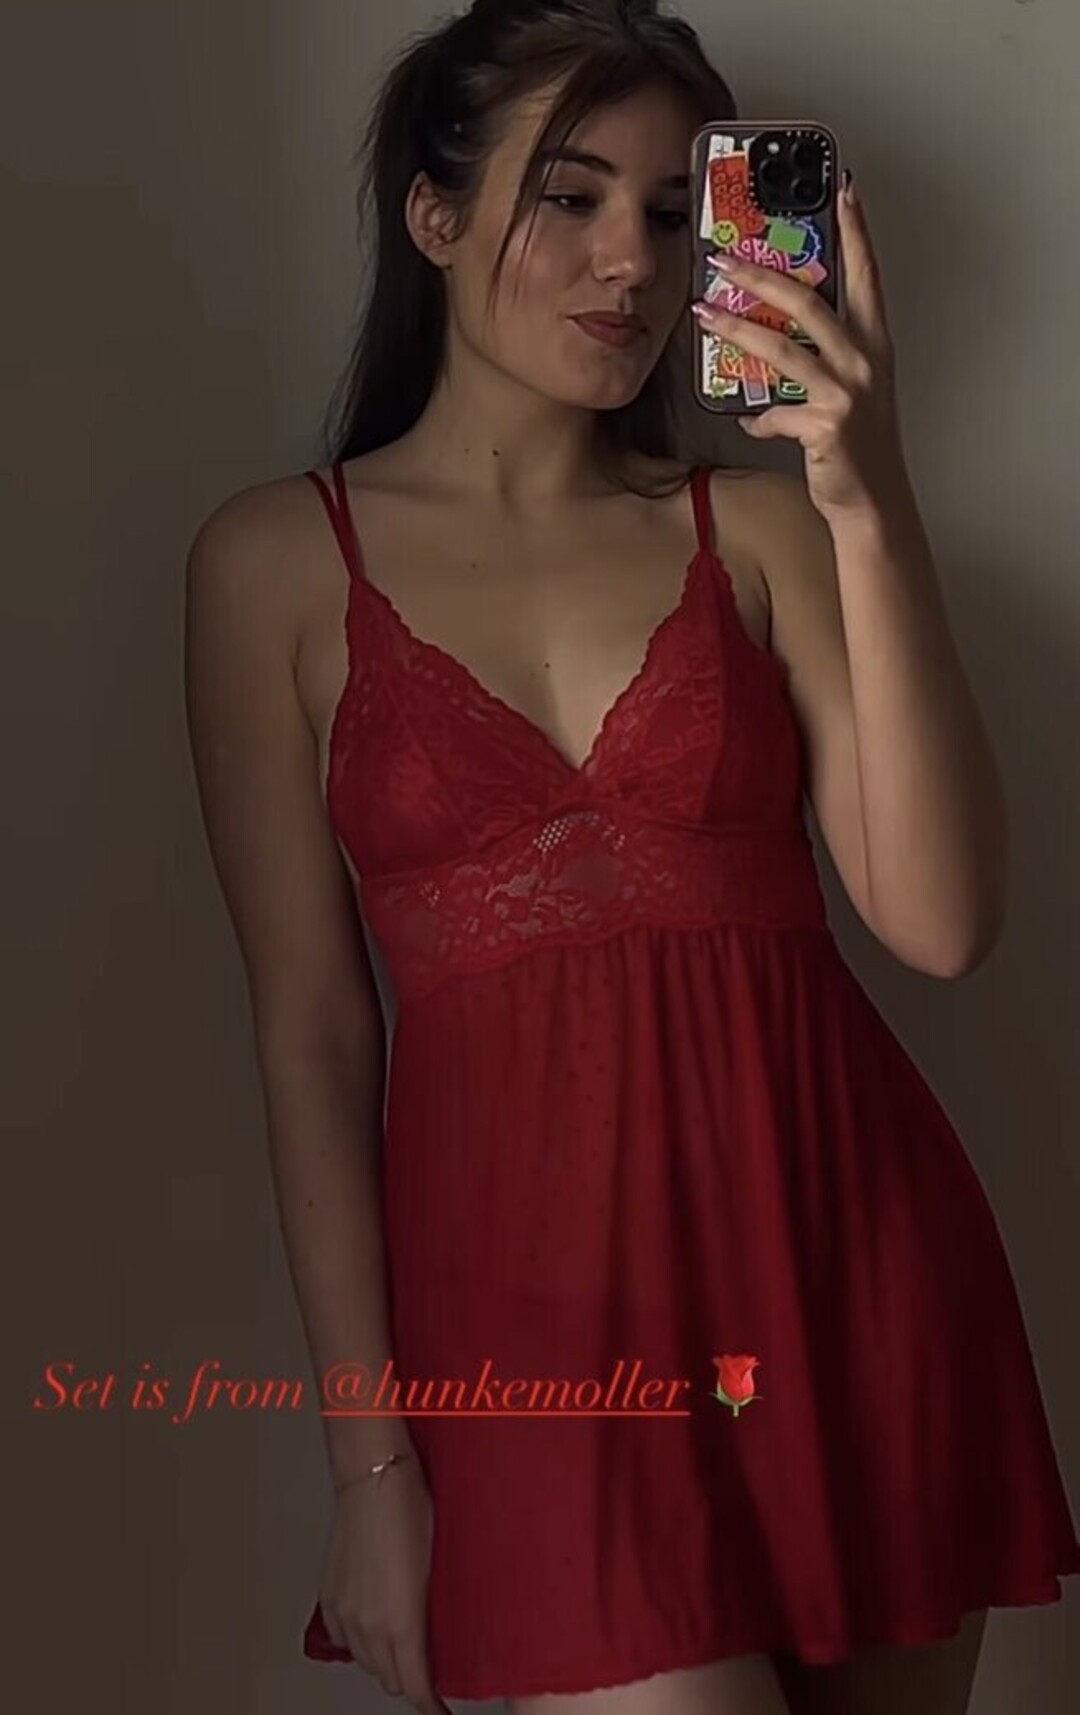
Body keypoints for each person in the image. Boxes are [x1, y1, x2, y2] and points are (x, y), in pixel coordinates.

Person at [183, 3, 1080, 1712]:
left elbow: (944, 923)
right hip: (537, 1353)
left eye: (676, 213)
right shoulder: (276, 568)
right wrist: (371, 1470)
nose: (634, 262)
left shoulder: (757, 531)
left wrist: (867, 489)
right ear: (433, 213)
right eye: (572, 195)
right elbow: (311, 1036)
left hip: (850, 1276)